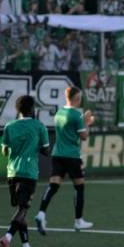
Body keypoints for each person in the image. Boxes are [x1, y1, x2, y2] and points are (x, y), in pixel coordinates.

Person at [35, 86, 95, 233]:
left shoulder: (59, 113)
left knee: (54, 185)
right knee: (79, 187)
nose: (80, 100)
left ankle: (41, 214)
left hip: (57, 154)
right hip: (72, 156)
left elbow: (69, 128)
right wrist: (87, 123)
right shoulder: (76, 115)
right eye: (79, 97)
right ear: (76, 98)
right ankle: (78, 221)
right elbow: (84, 136)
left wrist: (82, 120)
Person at [0, 95, 50, 247]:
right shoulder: (38, 126)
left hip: (12, 173)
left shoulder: (9, 126)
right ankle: (7, 237)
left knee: (21, 211)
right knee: (22, 210)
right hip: (29, 173)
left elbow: (4, 152)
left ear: (17, 109)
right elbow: (45, 150)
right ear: (32, 109)